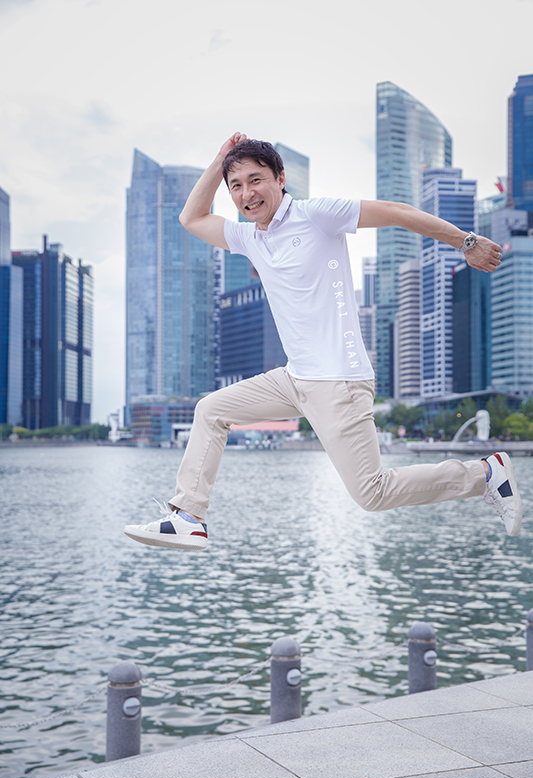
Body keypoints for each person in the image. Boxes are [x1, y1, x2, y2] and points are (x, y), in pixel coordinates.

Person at [124, 133, 522, 551]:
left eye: (256, 180)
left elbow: (397, 212)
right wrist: (220, 159)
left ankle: (485, 474)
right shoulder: (249, 238)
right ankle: (188, 517)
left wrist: (466, 242)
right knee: (210, 409)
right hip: (294, 379)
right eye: (236, 185)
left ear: (280, 179)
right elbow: (191, 217)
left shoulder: (316, 215)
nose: (246, 193)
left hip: (338, 380)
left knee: (373, 493)